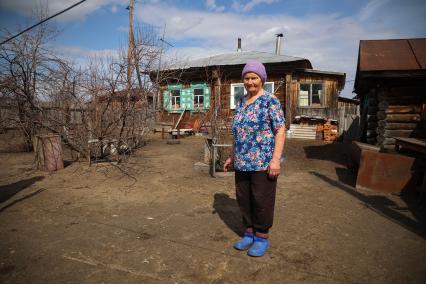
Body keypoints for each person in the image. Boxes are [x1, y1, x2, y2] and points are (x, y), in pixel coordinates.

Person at [223, 60, 285, 257]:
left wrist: (275, 160)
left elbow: (280, 130)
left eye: (254, 77)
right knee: (244, 199)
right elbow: (237, 132)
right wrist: (232, 157)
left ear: (262, 79)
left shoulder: (270, 100)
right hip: (242, 162)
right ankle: (248, 233)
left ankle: (261, 237)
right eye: (247, 78)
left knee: (261, 200)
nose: (250, 82)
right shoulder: (240, 102)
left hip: (263, 162)